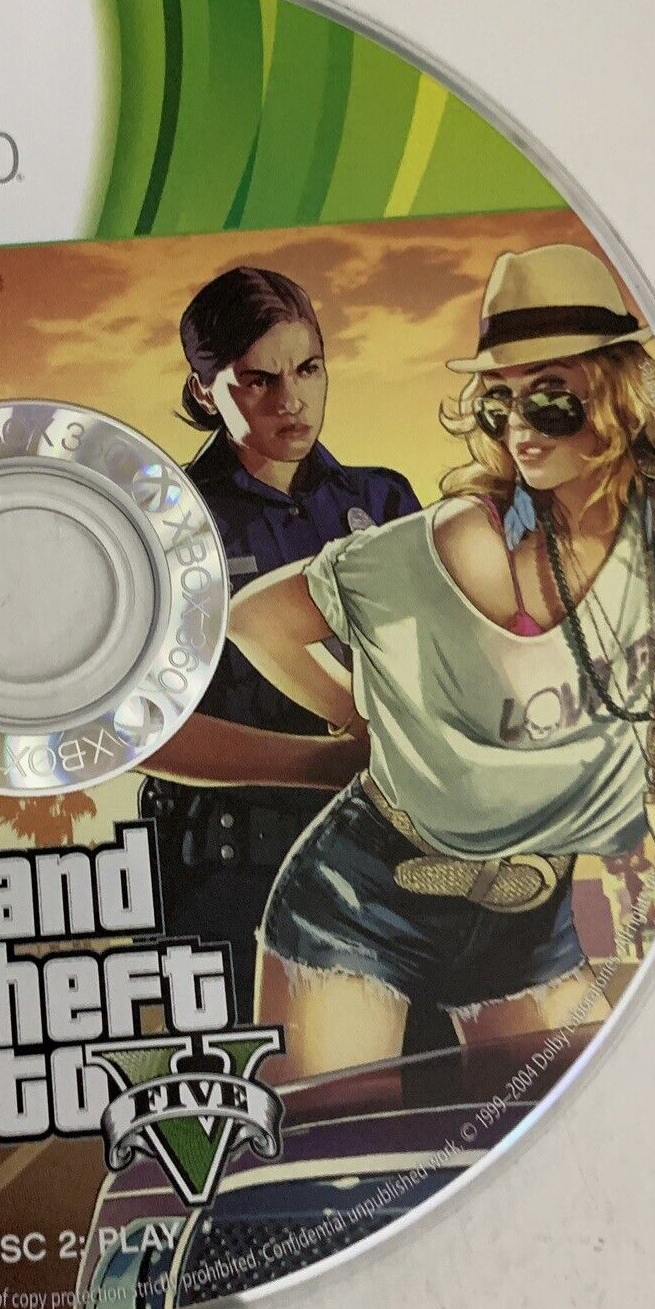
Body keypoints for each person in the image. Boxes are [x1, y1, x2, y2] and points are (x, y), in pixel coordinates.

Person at [226, 244, 655, 1079]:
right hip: (365, 895)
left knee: (560, 1124)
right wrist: (361, 716)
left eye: (550, 398)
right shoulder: (466, 541)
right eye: (500, 403)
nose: (520, 426)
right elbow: (258, 620)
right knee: (331, 1150)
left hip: (540, 914)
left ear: (619, 394)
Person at [140, 265, 419, 1021]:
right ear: (204, 392)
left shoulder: (383, 501)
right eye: (258, 380)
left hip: (387, 863)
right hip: (227, 880)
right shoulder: (163, 524)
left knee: (423, 1079)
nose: (290, 400)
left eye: (308, 369)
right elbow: (140, 733)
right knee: (256, 1088)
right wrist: (327, 763)